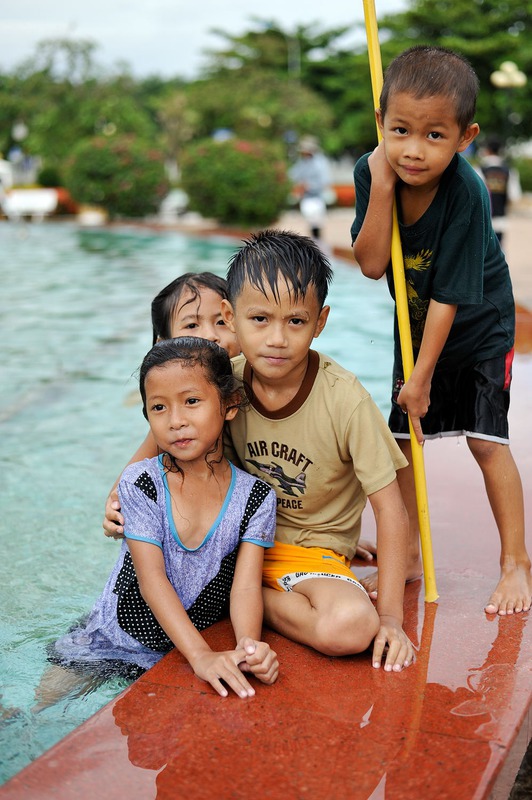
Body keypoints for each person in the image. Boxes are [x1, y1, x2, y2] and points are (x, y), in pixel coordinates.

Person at [351, 45, 531, 616]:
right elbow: (373, 263)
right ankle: (405, 557)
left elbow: (452, 293)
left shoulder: (466, 191)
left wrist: (422, 377)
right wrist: (380, 189)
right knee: (402, 447)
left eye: (434, 135)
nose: (413, 150)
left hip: (478, 326)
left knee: (485, 441)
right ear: (381, 122)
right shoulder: (372, 171)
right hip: (417, 322)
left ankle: (516, 563)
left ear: (465, 136)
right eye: (400, 129)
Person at [37, 338, 278, 708]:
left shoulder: (256, 497)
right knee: (39, 711)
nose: (176, 420)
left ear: (230, 404)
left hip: (173, 651)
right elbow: (152, 580)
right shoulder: (142, 482)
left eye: (192, 401)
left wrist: (248, 647)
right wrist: (200, 655)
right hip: (111, 636)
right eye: (159, 407)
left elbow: (245, 588)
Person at [219, 229, 413, 671]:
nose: (276, 339)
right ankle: (236, 589)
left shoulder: (345, 400)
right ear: (230, 317)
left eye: (295, 321)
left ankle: (247, 600)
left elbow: (390, 509)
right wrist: (121, 490)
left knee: (350, 627)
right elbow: (168, 429)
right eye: (259, 319)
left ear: (320, 322)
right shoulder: (224, 383)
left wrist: (391, 619)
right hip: (238, 546)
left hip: (310, 556)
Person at [477, 136, 522, 246]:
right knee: (498, 250)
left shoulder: (479, 170)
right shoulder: (509, 171)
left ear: (487, 150)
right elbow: (514, 196)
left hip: (482, 220)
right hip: (501, 218)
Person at [289, 136, 331, 241]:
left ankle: (318, 242)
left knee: (317, 223)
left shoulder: (320, 163)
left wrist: (309, 185)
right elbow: (293, 175)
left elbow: (324, 181)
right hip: (306, 197)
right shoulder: (302, 162)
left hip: (317, 197)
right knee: (311, 222)